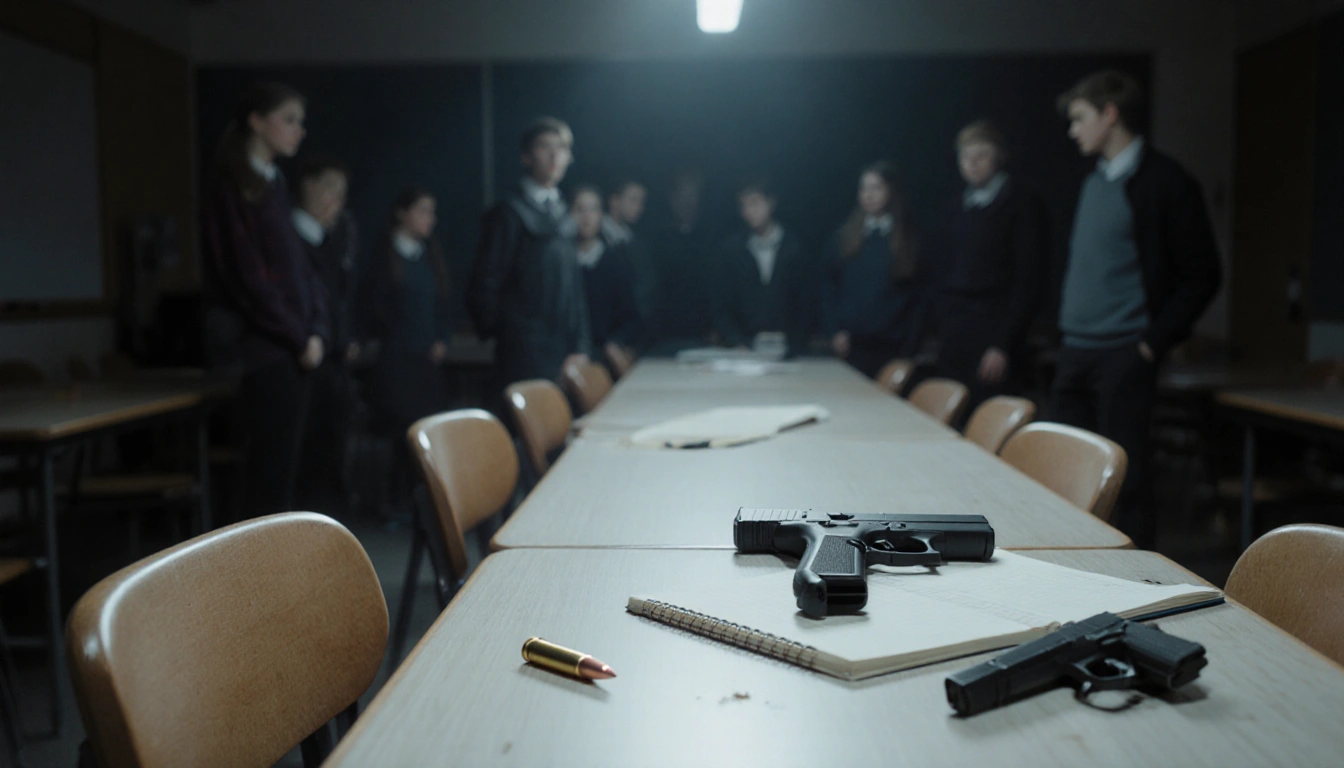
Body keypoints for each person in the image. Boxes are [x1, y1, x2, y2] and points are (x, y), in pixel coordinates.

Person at [1052, 70, 1221, 550]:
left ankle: (1135, 588)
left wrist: (1152, 343)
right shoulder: (1091, 181)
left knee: (1128, 481)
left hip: (1125, 355)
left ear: (1111, 114)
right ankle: (1070, 572)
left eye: (1080, 118)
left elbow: (1203, 275)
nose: (1073, 130)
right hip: (1074, 352)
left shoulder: (1165, 182)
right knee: (1064, 474)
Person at [202, 81, 327, 521]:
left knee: (285, 475)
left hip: (292, 348)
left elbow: (301, 273)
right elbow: (249, 279)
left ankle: (278, 579)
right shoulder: (233, 187)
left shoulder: (274, 184)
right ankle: (254, 585)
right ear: (256, 121)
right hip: (266, 352)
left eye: (300, 121)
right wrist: (297, 336)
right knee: (265, 479)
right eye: (289, 119)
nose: (299, 131)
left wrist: (314, 329)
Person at [468, 117, 592, 394]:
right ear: (526, 156)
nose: (553, 155)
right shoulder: (509, 212)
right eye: (544, 146)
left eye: (561, 148)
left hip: (563, 352)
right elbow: (484, 284)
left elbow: (575, 290)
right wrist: (513, 337)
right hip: (523, 353)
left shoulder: (563, 214)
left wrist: (580, 346)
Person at [935, 121, 1049, 417]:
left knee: (989, 416)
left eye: (981, 154)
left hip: (995, 330)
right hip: (956, 331)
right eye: (965, 156)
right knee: (952, 417)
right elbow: (943, 273)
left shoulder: (1021, 203)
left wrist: (1003, 343)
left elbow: (1029, 280)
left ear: (999, 156)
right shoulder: (955, 207)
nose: (972, 163)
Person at [290, 155, 360, 512]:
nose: (336, 199)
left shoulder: (333, 240)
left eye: (342, 192)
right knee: (306, 458)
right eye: (330, 187)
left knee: (332, 452)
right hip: (301, 362)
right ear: (307, 184)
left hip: (333, 362)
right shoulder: (289, 239)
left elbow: (339, 300)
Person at [819, 162, 927, 378]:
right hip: (851, 346)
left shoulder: (908, 239)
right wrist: (834, 331)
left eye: (876, 188)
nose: (869, 195)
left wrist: (910, 347)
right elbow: (827, 286)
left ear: (891, 191)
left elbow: (920, 298)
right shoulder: (845, 237)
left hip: (893, 349)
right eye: (864, 188)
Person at [362, 187, 454, 443]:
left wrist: (442, 339)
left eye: (432, 212)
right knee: (399, 435)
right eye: (423, 211)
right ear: (402, 213)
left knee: (427, 436)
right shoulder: (383, 255)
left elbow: (442, 306)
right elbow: (373, 308)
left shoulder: (431, 256)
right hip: (396, 364)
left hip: (427, 364)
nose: (430, 219)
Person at [715, 178, 813, 355]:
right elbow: (721, 301)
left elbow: (805, 302)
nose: (749, 211)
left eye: (755, 203)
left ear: (771, 203)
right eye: (743, 206)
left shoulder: (794, 248)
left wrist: (796, 345)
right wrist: (735, 340)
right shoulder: (732, 249)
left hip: (789, 349)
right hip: (744, 348)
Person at [646, 167, 717, 354]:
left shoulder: (710, 239)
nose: (687, 202)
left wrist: (715, 327)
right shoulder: (656, 239)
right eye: (682, 195)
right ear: (672, 198)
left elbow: (716, 288)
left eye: (692, 195)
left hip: (704, 335)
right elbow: (651, 290)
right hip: (665, 337)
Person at [572, 185, 641, 368]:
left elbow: (631, 317)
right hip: (570, 359)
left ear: (601, 215)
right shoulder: (562, 262)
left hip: (606, 356)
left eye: (593, 209)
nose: (587, 217)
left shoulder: (614, 261)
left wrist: (615, 343)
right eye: (580, 209)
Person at [602, 178, 657, 326]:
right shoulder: (595, 237)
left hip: (629, 328)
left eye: (641, 202)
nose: (639, 208)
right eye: (633, 200)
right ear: (614, 201)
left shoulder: (636, 243)